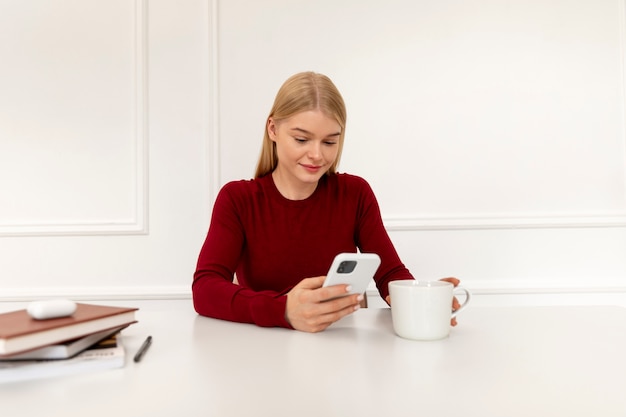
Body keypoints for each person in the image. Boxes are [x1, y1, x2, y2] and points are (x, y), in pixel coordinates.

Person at [192, 71, 460, 332]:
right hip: (263, 350)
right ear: (273, 129)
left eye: (330, 142)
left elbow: (389, 272)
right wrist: (285, 310)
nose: (316, 155)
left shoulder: (355, 193)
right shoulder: (238, 199)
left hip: (340, 349)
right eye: (301, 139)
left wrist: (418, 298)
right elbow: (205, 288)